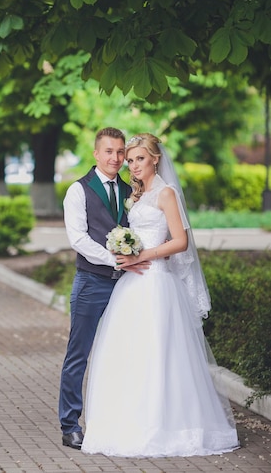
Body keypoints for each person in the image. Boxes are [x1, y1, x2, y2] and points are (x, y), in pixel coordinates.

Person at [81, 133, 239, 458]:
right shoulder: (136, 197)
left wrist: (143, 255)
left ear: (155, 158)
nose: (134, 165)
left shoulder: (166, 193)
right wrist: (123, 248)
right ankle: (127, 423)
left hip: (157, 283)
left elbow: (180, 241)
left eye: (140, 158)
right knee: (128, 351)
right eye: (130, 161)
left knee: (159, 351)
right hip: (132, 284)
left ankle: (165, 425)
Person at [59, 127, 151, 450]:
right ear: (96, 154)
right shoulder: (78, 191)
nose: (115, 158)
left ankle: (113, 420)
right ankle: (70, 424)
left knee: (120, 354)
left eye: (120, 152)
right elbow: (78, 239)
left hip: (126, 286)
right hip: (91, 283)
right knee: (78, 354)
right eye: (108, 151)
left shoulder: (131, 191)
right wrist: (115, 259)